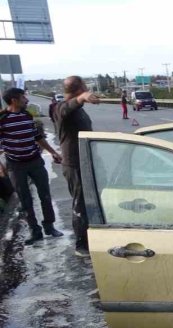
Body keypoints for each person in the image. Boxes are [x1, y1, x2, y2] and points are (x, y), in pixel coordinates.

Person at [0, 88, 64, 245]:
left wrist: (53, 152)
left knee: (45, 195)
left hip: (35, 161)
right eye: (23, 97)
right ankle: (35, 231)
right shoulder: (2, 119)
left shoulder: (27, 115)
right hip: (15, 166)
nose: (26, 100)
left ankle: (49, 226)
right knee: (25, 200)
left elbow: (37, 137)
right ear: (14, 100)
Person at [56, 75, 99, 257]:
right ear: (78, 88)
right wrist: (81, 98)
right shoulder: (60, 108)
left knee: (92, 201)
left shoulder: (78, 109)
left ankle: (93, 238)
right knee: (80, 203)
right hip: (74, 164)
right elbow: (66, 109)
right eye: (84, 87)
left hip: (86, 161)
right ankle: (81, 245)